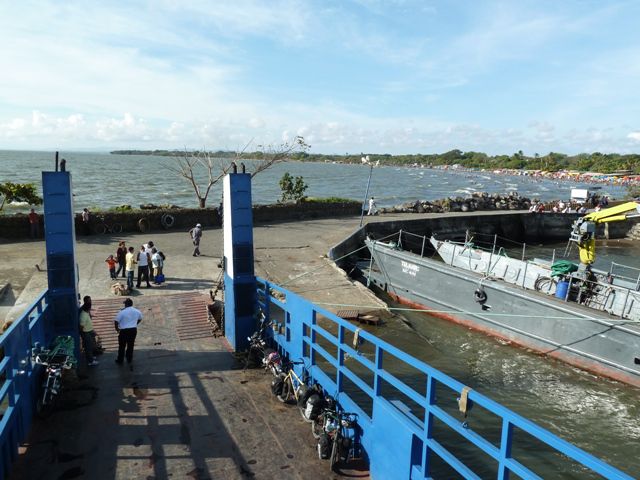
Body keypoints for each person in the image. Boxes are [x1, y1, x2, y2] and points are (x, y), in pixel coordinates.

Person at [114, 298, 142, 365]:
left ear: (126, 304)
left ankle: (120, 360)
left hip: (124, 331)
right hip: (133, 330)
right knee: (130, 345)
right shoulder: (137, 311)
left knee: (122, 346)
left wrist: (117, 329)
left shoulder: (122, 312)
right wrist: (135, 324)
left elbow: (116, 321)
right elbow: (140, 319)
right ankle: (129, 358)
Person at [79, 296, 99, 366]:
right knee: (88, 347)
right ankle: (90, 361)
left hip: (89, 331)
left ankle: (91, 357)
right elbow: (81, 326)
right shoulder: (83, 315)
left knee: (91, 345)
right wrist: (83, 334)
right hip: (86, 332)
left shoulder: (86, 312)